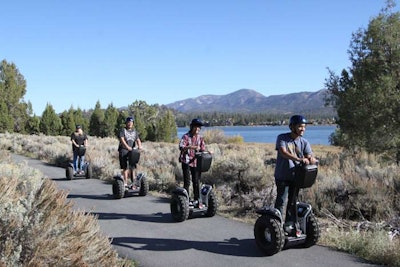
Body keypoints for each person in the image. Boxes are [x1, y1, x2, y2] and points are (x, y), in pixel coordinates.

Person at [274, 115, 317, 227]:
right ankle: (276, 224)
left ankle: (289, 225)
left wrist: (310, 159)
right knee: (281, 201)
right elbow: (283, 152)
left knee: (293, 201)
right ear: (292, 127)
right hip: (282, 175)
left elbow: (308, 154)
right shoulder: (282, 138)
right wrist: (298, 159)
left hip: (296, 177)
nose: (303, 129)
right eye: (300, 127)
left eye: (304, 127)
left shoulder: (304, 142)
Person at [179, 118, 208, 208]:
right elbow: (181, 147)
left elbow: (203, 149)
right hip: (186, 161)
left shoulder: (200, 138)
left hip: (196, 162)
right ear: (192, 127)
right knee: (187, 182)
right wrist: (190, 147)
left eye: (199, 128)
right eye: (196, 127)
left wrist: (207, 152)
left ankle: (197, 199)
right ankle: (186, 201)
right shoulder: (186, 137)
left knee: (196, 181)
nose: (197, 129)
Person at [118, 116, 142, 188]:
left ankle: (133, 183)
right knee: (125, 167)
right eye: (128, 122)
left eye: (131, 122)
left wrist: (140, 146)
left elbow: (138, 140)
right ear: (126, 123)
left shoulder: (135, 132)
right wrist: (127, 147)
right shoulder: (123, 130)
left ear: (133, 123)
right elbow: (122, 139)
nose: (130, 124)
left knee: (133, 166)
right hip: (124, 150)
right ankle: (125, 183)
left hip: (132, 151)